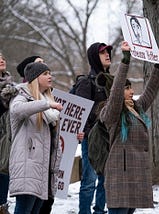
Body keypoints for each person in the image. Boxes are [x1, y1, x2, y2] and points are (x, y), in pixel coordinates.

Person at [99, 41, 159, 214]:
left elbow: (150, 91)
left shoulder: (136, 108)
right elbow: (115, 94)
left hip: (135, 175)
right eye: (126, 88)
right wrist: (125, 60)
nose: (131, 91)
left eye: (131, 88)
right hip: (119, 175)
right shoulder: (111, 112)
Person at [9, 62, 63, 214]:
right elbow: (16, 110)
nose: (50, 76)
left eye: (50, 73)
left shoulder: (49, 106)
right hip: (27, 167)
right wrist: (46, 104)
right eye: (45, 74)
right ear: (34, 78)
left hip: (43, 170)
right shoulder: (22, 95)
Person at [75, 42, 113, 214]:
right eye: (102, 53)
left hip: (109, 137)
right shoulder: (85, 82)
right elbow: (80, 112)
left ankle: (99, 211)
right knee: (89, 181)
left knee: (106, 180)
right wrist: (85, 132)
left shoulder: (111, 81)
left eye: (108, 52)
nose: (107, 55)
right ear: (94, 58)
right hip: (91, 138)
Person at [0, 52, 18, 214]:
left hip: (7, 136)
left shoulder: (12, 85)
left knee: (4, 170)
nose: (1, 60)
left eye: (3, 58)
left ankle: (2, 205)